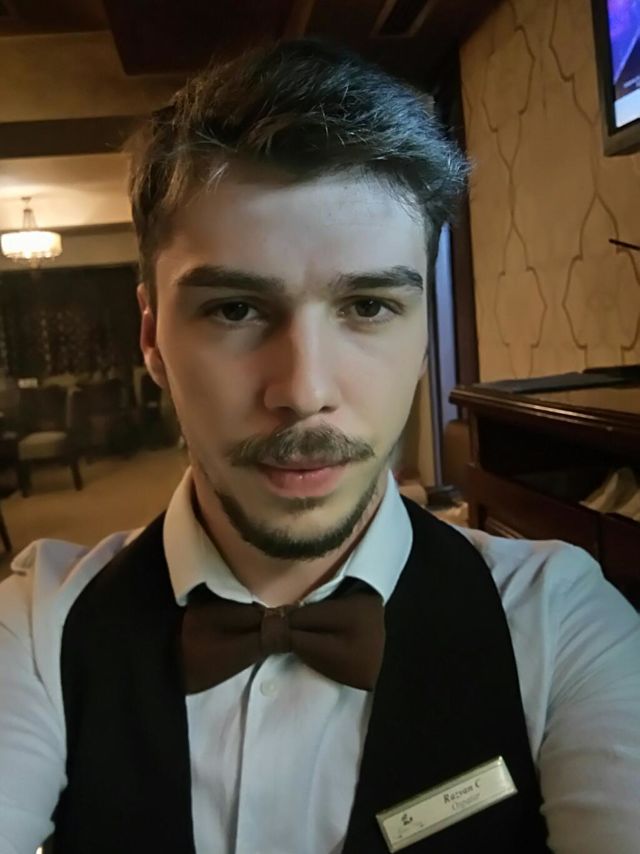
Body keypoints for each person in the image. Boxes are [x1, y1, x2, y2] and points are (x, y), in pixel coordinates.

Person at [0, 39, 639, 854]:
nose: (303, 391)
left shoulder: (560, 620)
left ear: (422, 337)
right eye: (234, 310)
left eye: (368, 307)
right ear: (152, 338)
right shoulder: (36, 626)